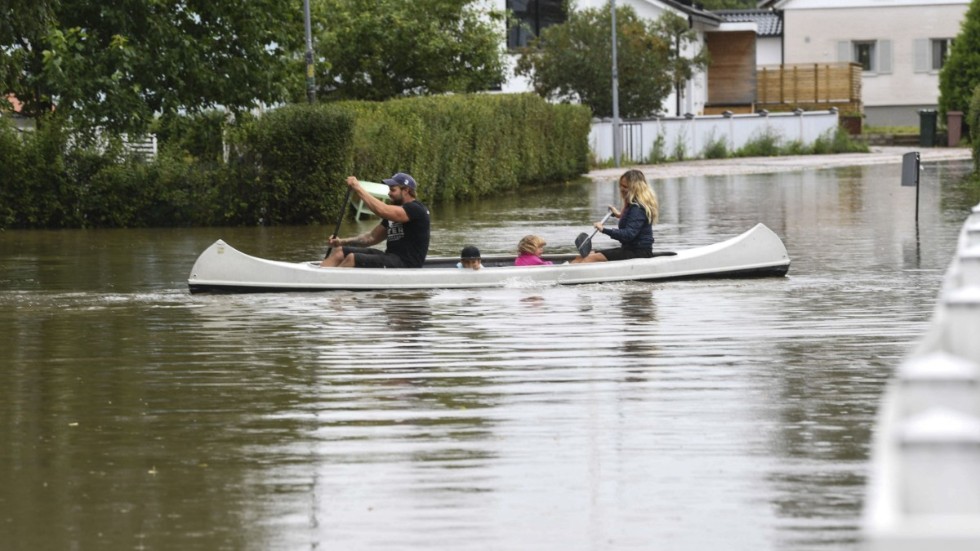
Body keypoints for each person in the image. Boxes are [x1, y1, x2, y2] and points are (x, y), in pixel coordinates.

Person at [320, 173, 430, 268]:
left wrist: (358, 188)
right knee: (340, 251)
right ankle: (319, 276)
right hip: (391, 258)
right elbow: (370, 238)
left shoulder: (416, 209)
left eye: (393, 190)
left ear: (406, 190)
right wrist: (341, 242)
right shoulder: (394, 213)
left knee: (352, 258)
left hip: (407, 264)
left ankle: (328, 285)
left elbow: (382, 210)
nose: (389, 193)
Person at [573, 168, 658, 263]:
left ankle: (567, 276)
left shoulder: (637, 208)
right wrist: (618, 215)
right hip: (629, 249)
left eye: (625, 187)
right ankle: (564, 273)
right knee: (580, 257)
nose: (622, 189)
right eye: (621, 186)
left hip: (639, 253)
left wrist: (604, 230)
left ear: (635, 188)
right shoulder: (632, 205)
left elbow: (628, 234)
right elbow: (632, 220)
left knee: (589, 258)